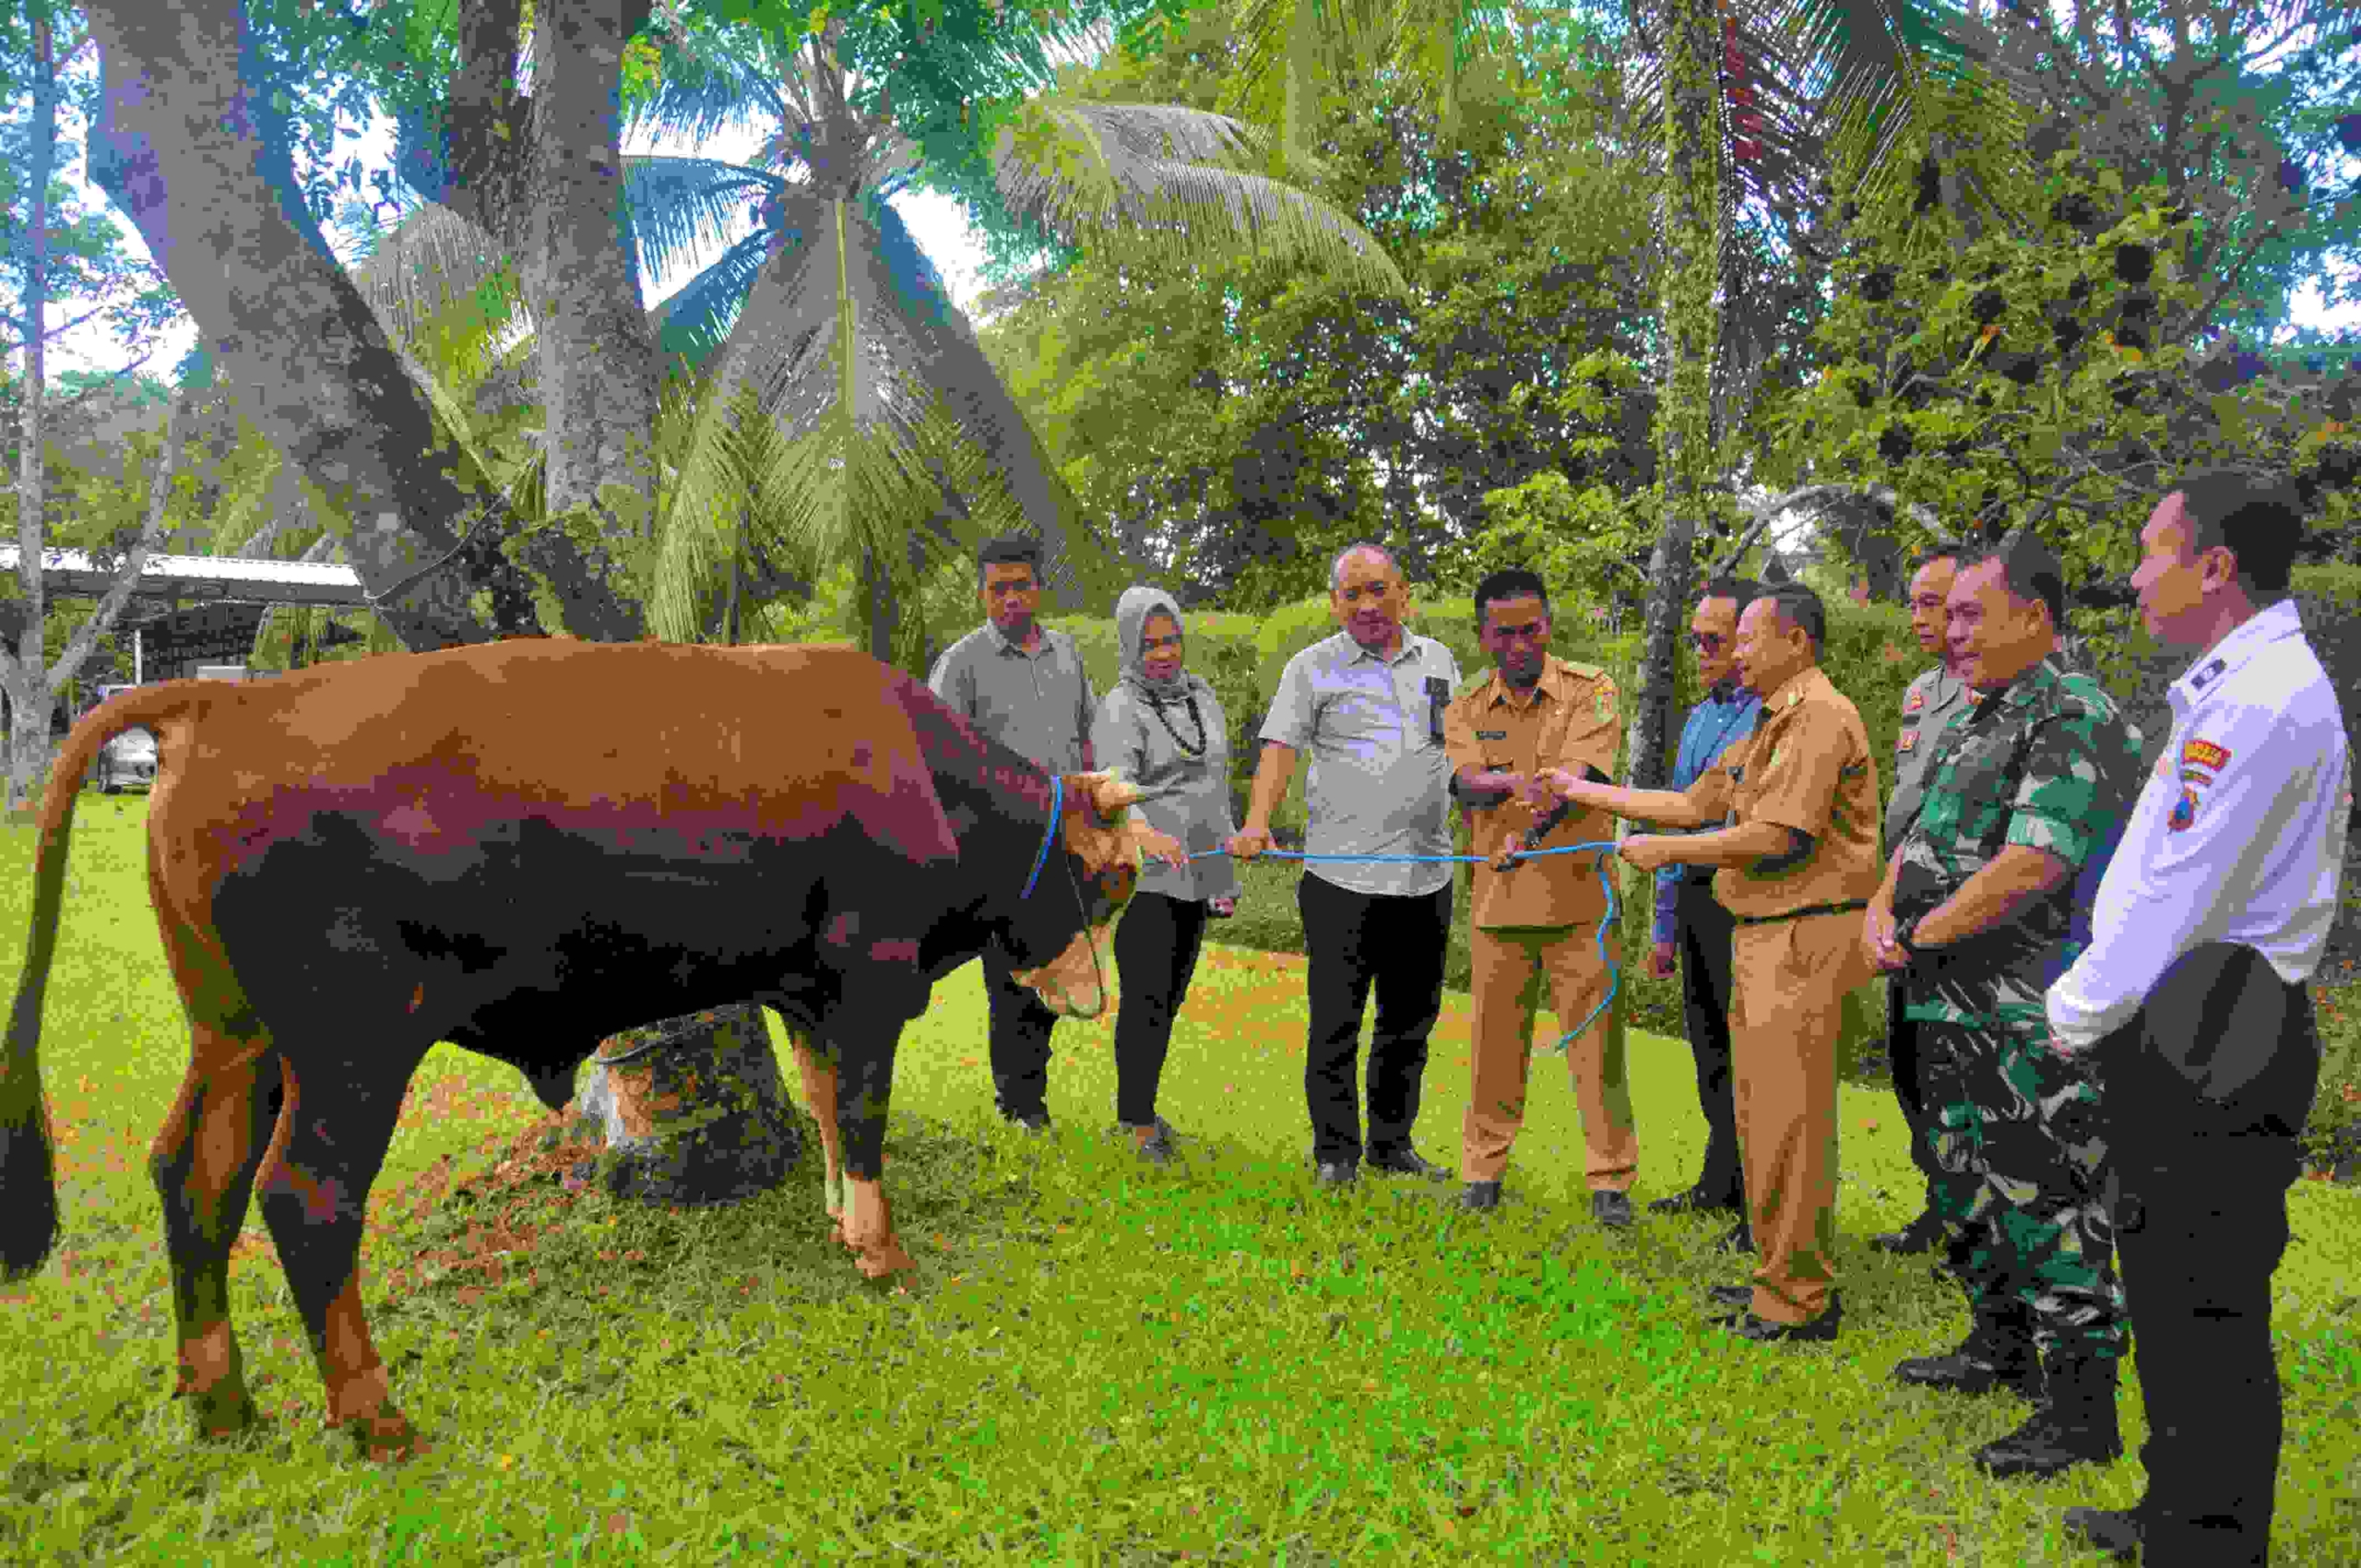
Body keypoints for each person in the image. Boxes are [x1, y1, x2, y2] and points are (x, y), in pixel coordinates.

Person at [2046, 472, 2349, 1566]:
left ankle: (2211, 1542)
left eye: (2148, 549)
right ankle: (2176, 1509)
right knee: (2167, 1290)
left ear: (2213, 565)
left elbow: (2181, 892)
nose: (2132, 575)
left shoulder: (2265, 699)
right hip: (2193, 1019)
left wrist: (2071, 1011)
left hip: (2223, 1027)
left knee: (2205, 1302)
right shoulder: (2234, 687)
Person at [1863, 533, 2143, 1481]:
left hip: (2025, 1009)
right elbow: (1922, 832)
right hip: (1948, 999)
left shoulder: (2073, 712)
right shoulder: (1982, 712)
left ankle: (2076, 1410)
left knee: (2048, 1196)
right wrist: (1879, 908)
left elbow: (2035, 861)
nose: (1951, 631)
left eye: (1973, 613)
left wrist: (1925, 929)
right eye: (1948, 615)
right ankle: (1995, 1345)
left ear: (2035, 612)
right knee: (1966, 1180)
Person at [1549, 584, 1881, 1342]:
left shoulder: (1821, 716)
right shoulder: (1768, 723)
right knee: (1761, 1115)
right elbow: (1697, 803)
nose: (1735, 652)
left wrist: (1667, 854)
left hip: (1807, 933)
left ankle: (1800, 1300)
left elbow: (1777, 837)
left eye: (1749, 638)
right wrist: (1587, 794)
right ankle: (1776, 1279)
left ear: (1796, 642)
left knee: (1791, 1121)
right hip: (1764, 931)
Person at [1228, 542, 1463, 1186]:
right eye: (1352, 594)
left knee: (1409, 1023)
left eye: (1378, 589)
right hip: (1342, 883)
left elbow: (1460, 758)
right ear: (1335, 603)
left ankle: (1392, 1146)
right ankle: (1336, 1155)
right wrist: (1256, 821)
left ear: (1404, 593)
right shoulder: (1312, 668)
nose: (1366, 605)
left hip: (1427, 876)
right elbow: (1279, 750)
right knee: (1337, 1022)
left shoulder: (1439, 662)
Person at [1442, 567, 1635, 1224]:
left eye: (1533, 629)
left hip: (1582, 904)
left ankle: (1610, 1181)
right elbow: (1464, 779)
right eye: (1506, 633)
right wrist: (1509, 785)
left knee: (1596, 1048)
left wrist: (1528, 826)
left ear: (1547, 626)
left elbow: (1579, 778)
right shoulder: (1466, 702)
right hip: (1498, 907)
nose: (1521, 644)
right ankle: (1482, 1172)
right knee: (1494, 1053)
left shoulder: (1593, 689)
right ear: (1484, 635)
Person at [927, 537, 1097, 1133]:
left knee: (1051, 965)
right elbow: (939, 758)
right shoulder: (962, 663)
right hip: (1000, 849)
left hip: (1064, 843)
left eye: (1021, 585)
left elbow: (1087, 736)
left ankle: (1032, 1091)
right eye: (998, 588)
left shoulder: (1067, 656)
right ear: (982, 594)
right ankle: (1018, 1103)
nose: (1011, 598)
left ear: (1039, 588)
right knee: (1009, 975)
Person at [1090, 588, 1241, 1166]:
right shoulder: (1120, 705)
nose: (1162, 653)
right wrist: (1144, 830)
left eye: (1170, 639)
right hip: (1147, 876)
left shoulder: (1202, 697)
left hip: (1198, 872)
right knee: (1148, 997)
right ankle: (1134, 1121)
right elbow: (1112, 785)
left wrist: (1224, 872)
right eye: (1148, 644)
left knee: (1171, 995)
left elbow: (1215, 781)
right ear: (1130, 645)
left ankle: (1143, 1108)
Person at [1646, 576, 1764, 1239]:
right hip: (1695, 897)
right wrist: (1664, 924)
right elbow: (1679, 824)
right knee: (1709, 1044)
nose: (1703, 651)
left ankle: (1759, 1195)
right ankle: (1720, 1180)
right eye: (1695, 639)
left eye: (1714, 639)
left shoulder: (1770, 717)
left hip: (1743, 898)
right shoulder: (1700, 718)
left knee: (1752, 1049)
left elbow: (1706, 816)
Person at [1873, 545, 1975, 1255]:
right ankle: (1938, 1203)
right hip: (1905, 896)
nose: (1921, 617)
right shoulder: (1919, 690)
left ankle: (1975, 1219)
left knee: (1958, 1069)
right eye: (1913, 603)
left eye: (1934, 603)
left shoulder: (1995, 691)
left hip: (1961, 905)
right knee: (1908, 1059)